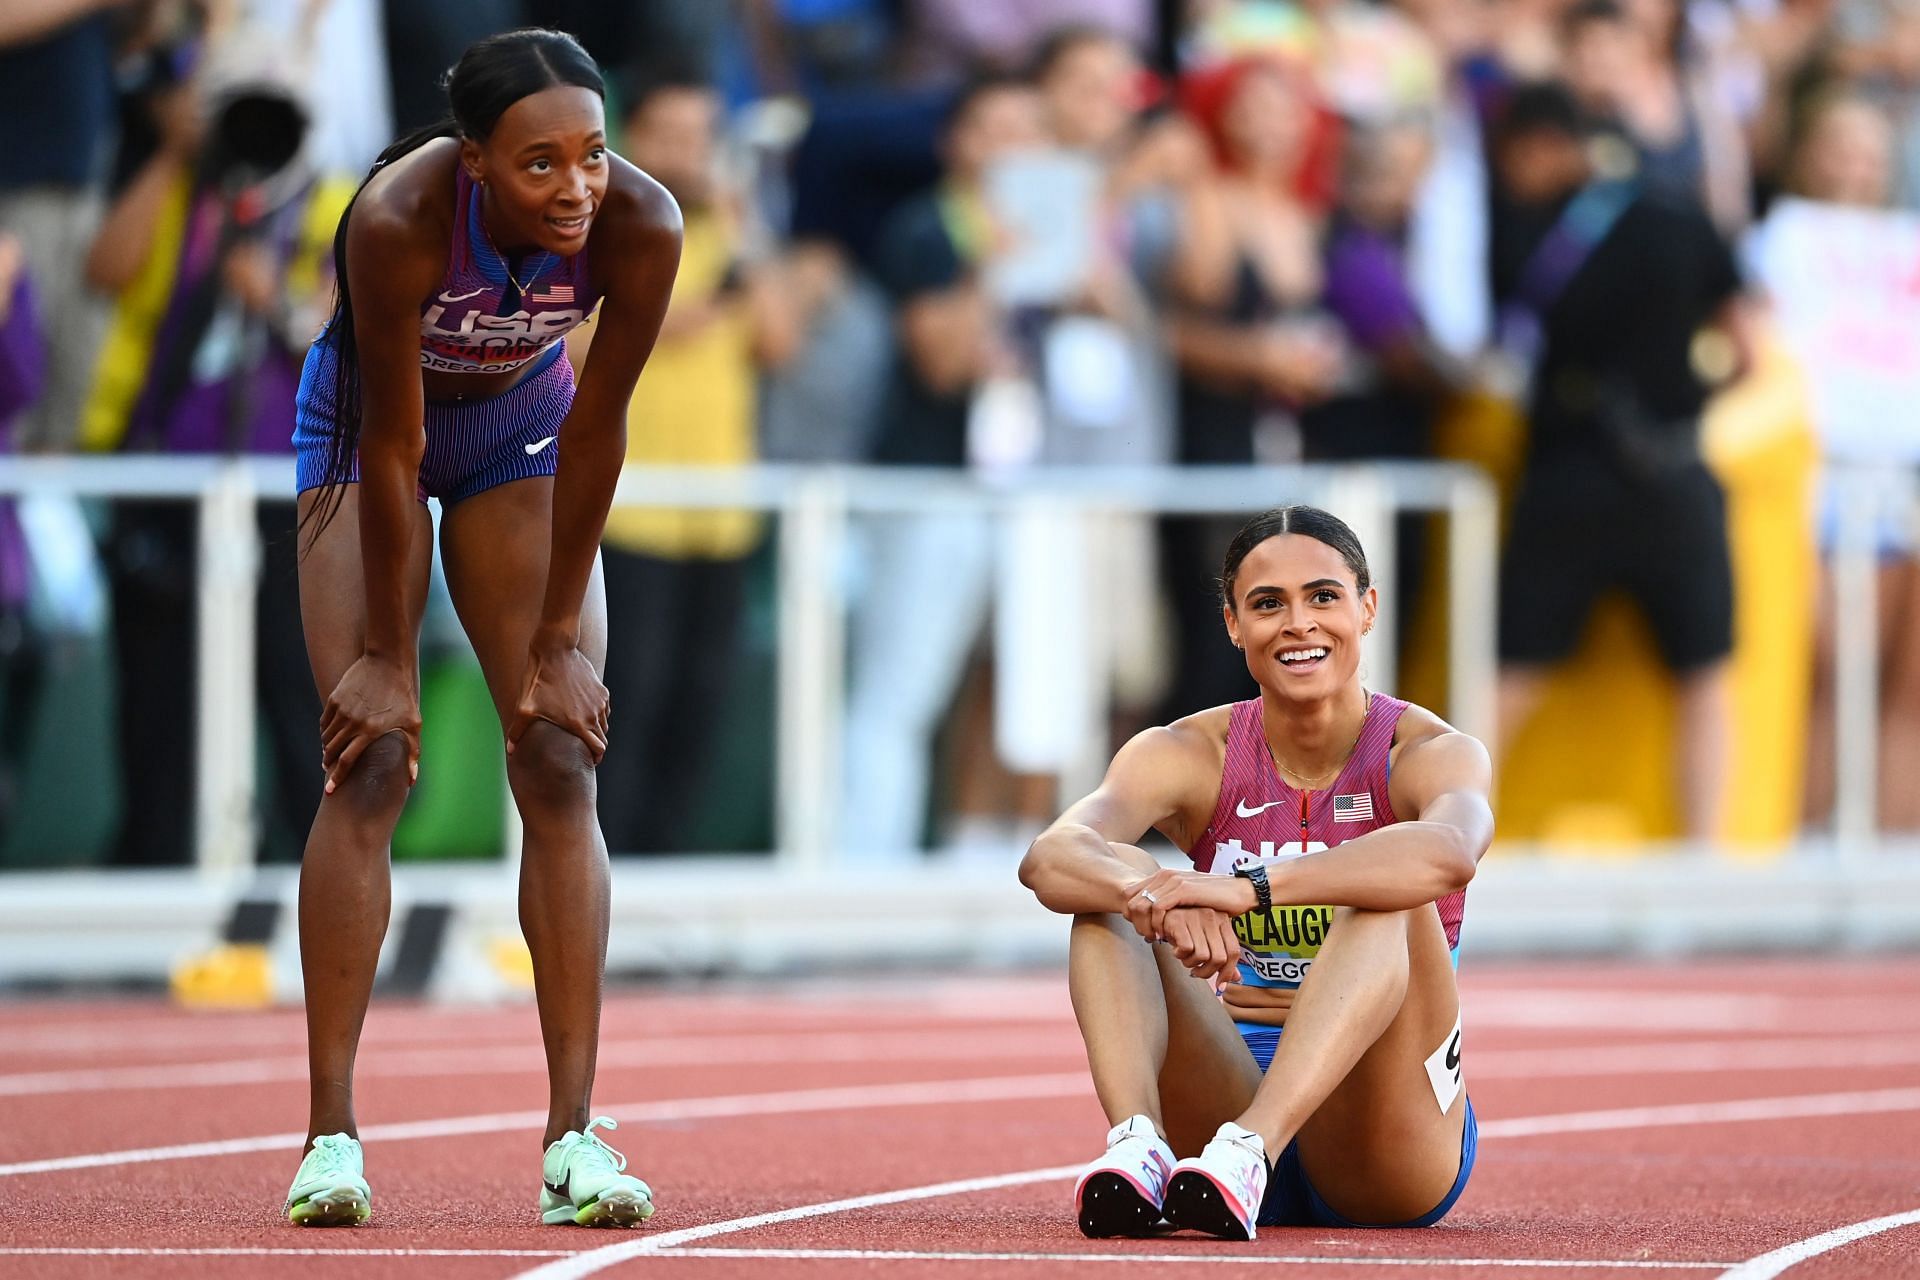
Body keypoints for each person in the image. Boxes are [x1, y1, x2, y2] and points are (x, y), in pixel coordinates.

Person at [281, 29, 681, 1228]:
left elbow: (600, 429)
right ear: (474, 163)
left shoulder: (643, 226)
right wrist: (387, 659)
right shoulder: (398, 216)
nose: (576, 189)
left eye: (594, 156)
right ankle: (330, 1137)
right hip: (367, 435)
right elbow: (397, 448)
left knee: (559, 756)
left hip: (522, 431)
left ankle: (573, 1138)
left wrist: (557, 637)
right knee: (375, 761)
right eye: (540, 165)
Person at [1018, 504, 1487, 1240]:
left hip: (1384, 1136)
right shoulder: (1189, 752)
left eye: (1323, 597)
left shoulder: (1427, 750)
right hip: (1225, 1094)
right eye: (1268, 604)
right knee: (1111, 880)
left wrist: (1245, 890)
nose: (1298, 624)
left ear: (1366, 609)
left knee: (1388, 890)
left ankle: (1251, 1150)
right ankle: (1138, 1146)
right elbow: (1050, 857)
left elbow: (1451, 852)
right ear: (1235, 624)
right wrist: (1157, 897)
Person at [1489, 81, 1750, 839]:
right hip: (1676, 472)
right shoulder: (1680, 213)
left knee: (1508, 675)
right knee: (1705, 676)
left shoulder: (1529, 229)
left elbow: (1498, 351)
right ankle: (1708, 856)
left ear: (1541, 146)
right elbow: (1749, 352)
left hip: (1567, 477)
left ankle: (1437, 852)